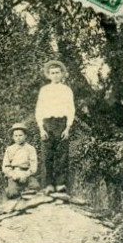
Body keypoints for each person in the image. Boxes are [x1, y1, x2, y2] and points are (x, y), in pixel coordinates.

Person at [35, 59, 75, 192]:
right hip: (47, 123)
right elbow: (39, 109)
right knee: (47, 154)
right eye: (52, 73)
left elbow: (71, 109)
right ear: (49, 75)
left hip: (61, 123)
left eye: (58, 72)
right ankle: (48, 185)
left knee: (62, 154)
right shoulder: (44, 90)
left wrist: (68, 127)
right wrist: (41, 128)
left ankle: (60, 184)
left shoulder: (66, 90)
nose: (55, 75)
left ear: (62, 74)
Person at [1, 122, 39, 199]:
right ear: (13, 137)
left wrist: (26, 174)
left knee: (35, 187)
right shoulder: (10, 149)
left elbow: (33, 166)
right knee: (13, 193)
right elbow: (6, 166)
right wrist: (13, 174)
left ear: (25, 136)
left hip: (27, 174)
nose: (18, 138)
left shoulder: (30, 149)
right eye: (16, 136)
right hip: (14, 174)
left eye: (20, 135)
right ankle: (13, 191)